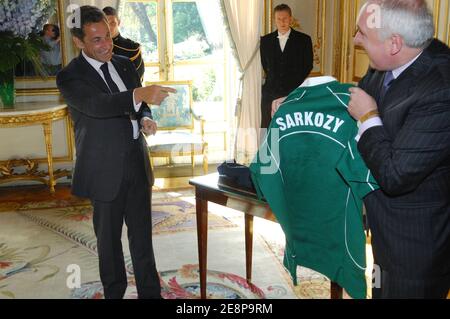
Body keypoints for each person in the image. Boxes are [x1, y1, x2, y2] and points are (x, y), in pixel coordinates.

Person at [56, 5, 176, 299]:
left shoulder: (124, 64)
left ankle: (151, 294)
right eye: (96, 40)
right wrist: (140, 95)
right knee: (109, 243)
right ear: (79, 42)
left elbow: (137, 103)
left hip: (136, 162)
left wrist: (145, 116)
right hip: (103, 169)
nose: (106, 45)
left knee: (142, 239)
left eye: (108, 36)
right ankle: (115, 294)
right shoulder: (70, 77)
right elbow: (98, 106)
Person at [348, 0, 450, 298]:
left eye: (362, 34)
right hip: (383, 233)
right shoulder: (389, 61)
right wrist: (298, 101)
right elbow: (357, 99)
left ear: (394, 43)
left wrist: (368, 116)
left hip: (414, 249)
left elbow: (395, 175)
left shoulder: (443, 88)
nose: (355, 39)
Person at [260, 4, 313, 128]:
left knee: (292, 127)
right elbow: (265, 64)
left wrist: (294, 84)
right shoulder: (265, 41)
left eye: (285, 18)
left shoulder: (304, 40)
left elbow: (307, 65)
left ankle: (288, 148)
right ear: (274, 20)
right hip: (270, 93)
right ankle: (270, 148)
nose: (282, 22)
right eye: (278, 19)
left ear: (290, 19)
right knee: (270, 128)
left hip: (294, 93)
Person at [103, 6, 145, 81]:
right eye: (106, 23)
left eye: (112, 23)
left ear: (118, 22)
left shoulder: (132, 48)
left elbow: (138, 77)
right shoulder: (95, 47)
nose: (109, 27)